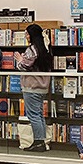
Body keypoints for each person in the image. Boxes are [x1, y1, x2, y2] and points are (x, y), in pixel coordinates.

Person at [16, 23, 53, 152]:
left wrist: (20, 59)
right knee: (39, 115)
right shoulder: (45, 49)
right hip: (42, 87)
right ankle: (42, 140)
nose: (26, 36)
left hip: (32, 87)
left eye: (27, 34)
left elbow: (23, 67)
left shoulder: (32, 50)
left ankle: (38, 141)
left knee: (33, 115)